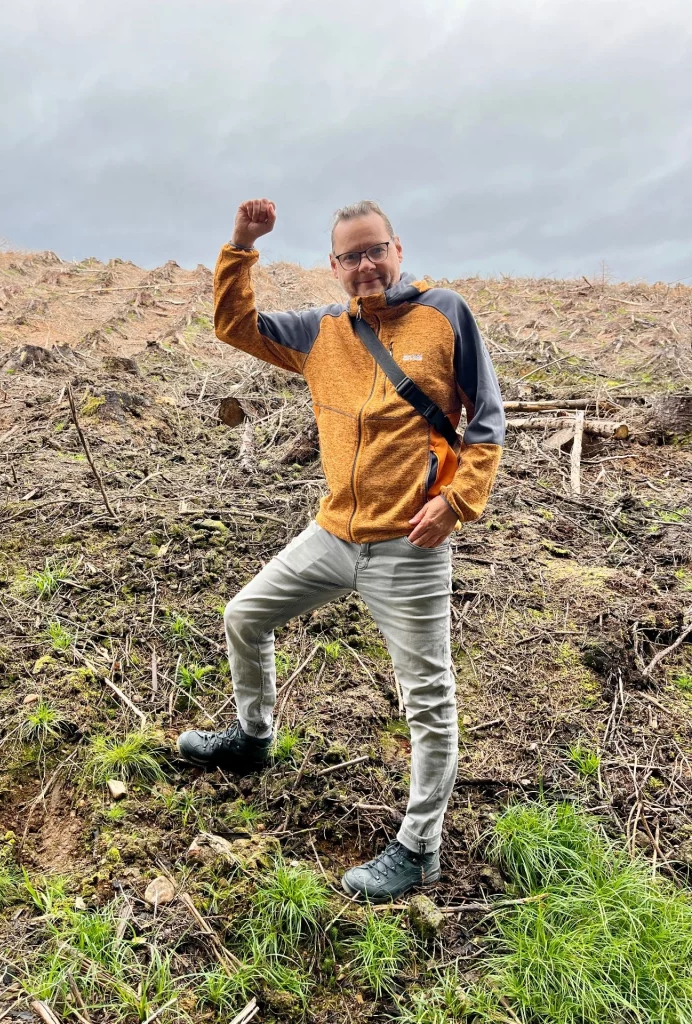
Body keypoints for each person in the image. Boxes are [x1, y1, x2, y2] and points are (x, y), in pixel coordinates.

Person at [177, 198, 505, 901]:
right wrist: (241, 245)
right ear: (333, 266)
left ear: (397, 249)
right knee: (244, 616)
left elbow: (487, 419)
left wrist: (457, 501)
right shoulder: (321, 331)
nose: (365, 265)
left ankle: (420, 848)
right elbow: (235, 325)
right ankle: (253, 737)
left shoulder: (445, 314)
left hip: (410, 545)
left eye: (375, 250)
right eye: (351, 256)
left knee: (427, 699)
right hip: (333, 533)